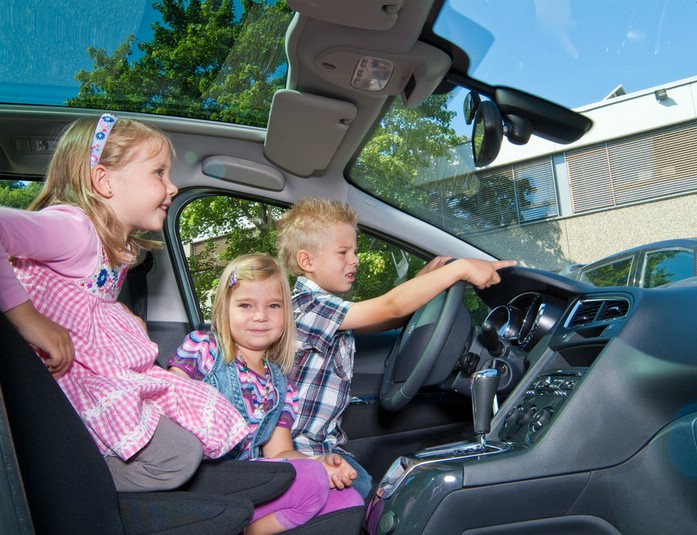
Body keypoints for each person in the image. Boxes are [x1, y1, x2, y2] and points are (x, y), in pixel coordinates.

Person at [0, 113, 250, 492]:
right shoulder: (74, 228)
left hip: (91, 372)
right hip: (70, 380)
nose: (173, 186)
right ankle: (65, 485)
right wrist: (27, 317)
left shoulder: (111, 246)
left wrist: (121, 316)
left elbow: (83, 300)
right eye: (159, 173)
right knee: (177, 456)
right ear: (104, 181)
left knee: (186, 441)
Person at [276, 197, 517, 499]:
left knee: (374, 486)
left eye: (354, 251)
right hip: (301, 452)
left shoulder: (325, 308)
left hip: (321, 446)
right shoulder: (307, 308)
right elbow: (390, 307)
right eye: (343, 252)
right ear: (306, 261)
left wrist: (421, 282)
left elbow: (385, 318)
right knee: (372, 490)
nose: (355, 259)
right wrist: (461, 269)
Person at [169, 254, 363, 534]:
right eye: (246, 305)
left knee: (348, 499)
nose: (260, 316)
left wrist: (319, 461)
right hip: (203, 477)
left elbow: (280, 452)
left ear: (287, 312)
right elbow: (168, 399)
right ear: (225, 309)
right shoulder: (204, 349)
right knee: (311, 480)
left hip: (251, 481)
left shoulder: (282, 383)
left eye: (273, 306)